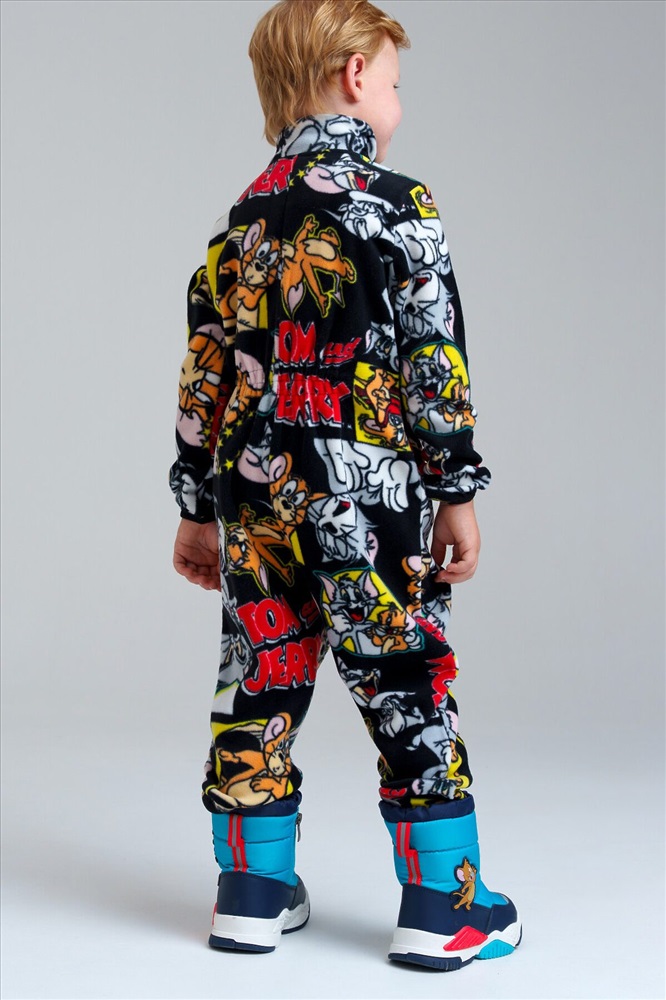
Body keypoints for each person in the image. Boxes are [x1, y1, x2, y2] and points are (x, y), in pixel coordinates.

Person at [169, 0, 520, 972]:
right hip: (370, 504)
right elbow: (434, 361)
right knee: (403, 676)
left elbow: (205, 375)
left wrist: (196, 510)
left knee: (258, 672)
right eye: (395, 82)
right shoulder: (399, 205)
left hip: (252, 500)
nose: (397, 99)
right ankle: (445, 903)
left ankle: (250, 892)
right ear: (356, 75)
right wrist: (455, 489)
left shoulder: (237, 223)